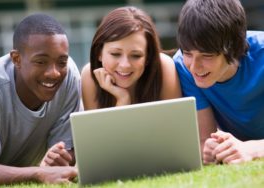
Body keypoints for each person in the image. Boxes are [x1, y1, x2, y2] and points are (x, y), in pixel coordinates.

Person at [0, 13, 82, 185]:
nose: (54, 72)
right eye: (41, 62)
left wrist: (58, 159)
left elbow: (65, 157)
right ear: (16, 59)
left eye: (61, 62)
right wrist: (38, 173)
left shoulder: (70, 76)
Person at [173, 0, 264, 165]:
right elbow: (205, 138)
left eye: (207, 56)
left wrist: (253, 149)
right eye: (187, 53)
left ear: (235, 47)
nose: (194, 66)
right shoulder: (182, 66)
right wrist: (210, 149)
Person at [81, 6, 181, 110]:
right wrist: (123, 99)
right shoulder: (89, 76)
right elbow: (98, 127)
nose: (125, 65)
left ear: (148, 57)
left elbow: (177, 124)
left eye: (136, 56)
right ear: (99, 53)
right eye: (115, 54)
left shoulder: (164, 68)